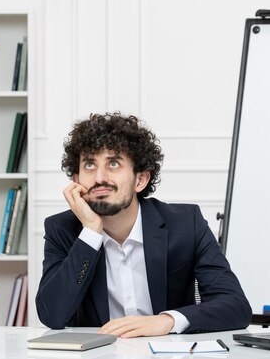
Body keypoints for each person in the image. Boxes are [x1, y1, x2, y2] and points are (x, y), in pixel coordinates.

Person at [36, 112, 251, 338]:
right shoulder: (62, 230)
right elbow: (52, 315)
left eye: (114, 163)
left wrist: (167, 321)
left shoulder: (186, 223)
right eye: (89, 164)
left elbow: (236, 306)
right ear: (77, 181)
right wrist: (90, 231)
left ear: (140, 180)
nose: (99, 177)